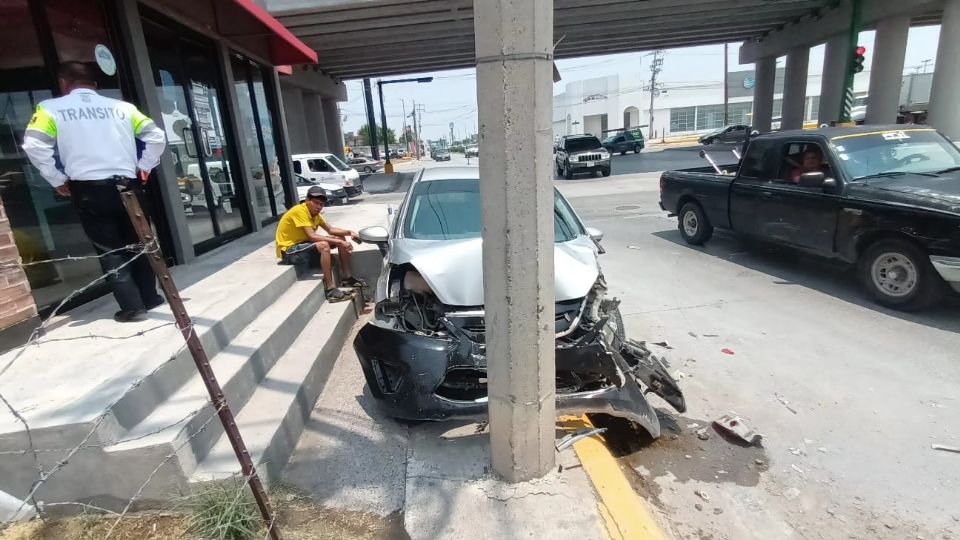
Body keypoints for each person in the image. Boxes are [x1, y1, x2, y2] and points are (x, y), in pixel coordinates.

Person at [21, 62, 167, 322]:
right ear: (95, 85)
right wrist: (143, 167)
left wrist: (56, 179)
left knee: (110, 249)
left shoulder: (50, 109)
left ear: (64, 83)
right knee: (139, 243)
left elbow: (34, 145)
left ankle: (132, 308)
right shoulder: (124, 108)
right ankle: (151, 297)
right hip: (127, 185)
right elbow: (156, 137)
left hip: (89, 189)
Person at [275, 186, 364, 302]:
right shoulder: (299, 211)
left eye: (321, 204)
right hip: (289, 252)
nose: (318, 207)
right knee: (324, 245)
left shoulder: (315, 214)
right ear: (307, 200)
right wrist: (339, 241)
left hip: (303, 245)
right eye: (316, 203)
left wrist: (349, 232)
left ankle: (348, 277)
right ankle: (330, 289)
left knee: (340, 237)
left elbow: (331, 230)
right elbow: (312, 236)